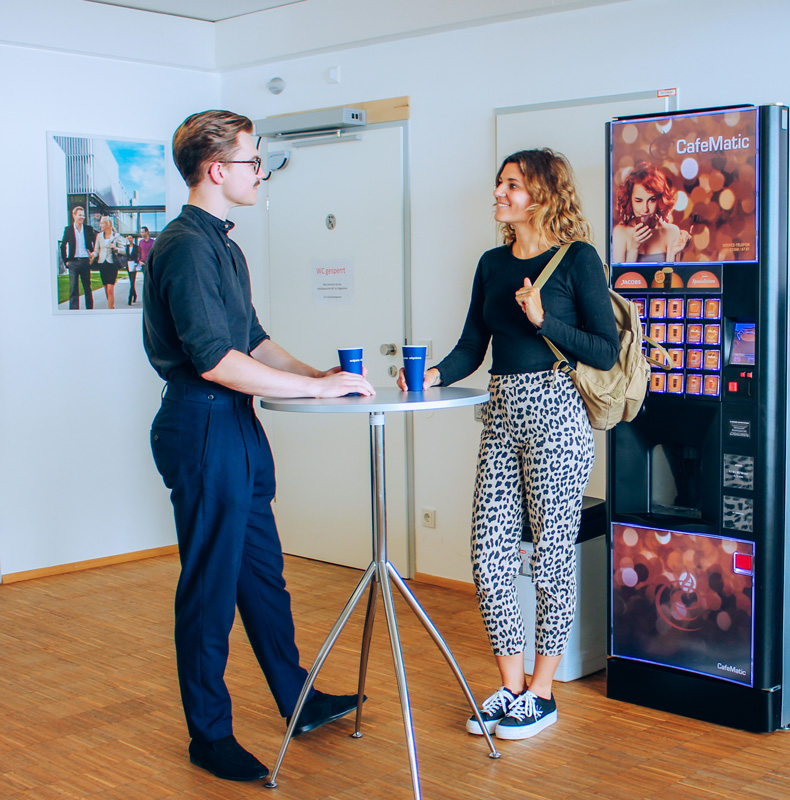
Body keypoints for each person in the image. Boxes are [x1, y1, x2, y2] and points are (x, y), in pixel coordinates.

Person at [143, 109, 375, 782]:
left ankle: (298, 700)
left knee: (262, 577)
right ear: (216, 170)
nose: (260, 172)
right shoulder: (184, 248)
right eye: (252, 161)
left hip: (235, 425)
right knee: (210, 589)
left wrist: (316, 377)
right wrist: (312, 392)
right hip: (201, 425)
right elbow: (216, 360)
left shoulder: (224, 247)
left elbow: (253, 340)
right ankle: (209, 735)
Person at [399, 149, 618, 740]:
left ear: (542, 195)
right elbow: (473, 344)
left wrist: (545, 321)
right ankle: (511, 686)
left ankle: (542, 693)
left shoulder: (578, 259)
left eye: (513, 185)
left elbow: (604, 351)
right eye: (500, 183)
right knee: (489, 553)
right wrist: (433, 374)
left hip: (557, 415)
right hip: (501, 413)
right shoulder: (492, 263)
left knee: (551, 558)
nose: (500, 193)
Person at [611, 161, 691, 263]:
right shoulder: (620, 232)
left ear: (659, 200)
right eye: (638, 201)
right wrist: (634, 248)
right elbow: (621, 274)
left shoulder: (672, 231)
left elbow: (671, 273)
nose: (645, 209)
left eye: (652, 200)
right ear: (630, 200)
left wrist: (673, 254)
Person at [61, 206, 96, 309]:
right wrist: (66, 261)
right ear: (74, 215)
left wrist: (92, 255)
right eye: (80, 215)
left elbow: (96, 243)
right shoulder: (68, 230)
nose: (82, 217)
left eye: (83, 215)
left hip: (85, 262)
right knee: (73, 289)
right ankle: (74, 311)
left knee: (87, 288)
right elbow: (63, 246)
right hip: (73, 262)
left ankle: (89, 310)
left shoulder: (88, 229)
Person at [93, 215, 125, 310]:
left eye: (102, 223)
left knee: (110, 289)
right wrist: (92, 255)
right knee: (106, 289)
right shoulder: (99, 236)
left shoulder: (116, 236)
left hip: (112, 265)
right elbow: (96, 251)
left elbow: (124, 250)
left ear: (107, 224)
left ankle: (110, 309)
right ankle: (111, 306)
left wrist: (115, 248)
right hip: (102, 264)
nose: (100, 225)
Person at [130, 226, 154, 305]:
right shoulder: (141, 242)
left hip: (150, 263)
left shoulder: (153, 242)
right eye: (141, 232)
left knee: (151, 281)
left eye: (143, 232)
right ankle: (147, 298)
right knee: (146, 281)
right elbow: (139, 252)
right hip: (143, 264)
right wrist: (139, 260)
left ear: (147, 232)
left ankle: (152, 297)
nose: (141, 234)